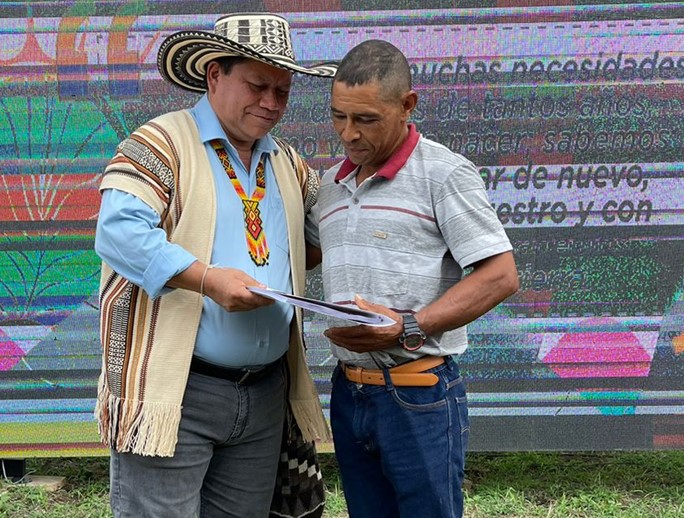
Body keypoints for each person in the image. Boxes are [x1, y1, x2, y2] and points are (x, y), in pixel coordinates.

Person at [94, 13, 335, 517]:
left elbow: (319, 237)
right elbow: (119, 234)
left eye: (282, 91)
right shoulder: (159, 143)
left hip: (265, 392)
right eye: (257, 85)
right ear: (213, 75)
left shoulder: (287, 162)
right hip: (178, 393)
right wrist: (207, 279)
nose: (271, 103)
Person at [304, 39, 520, 518]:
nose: (348, 134)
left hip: (418, 393)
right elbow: (301, 257)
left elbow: (500, 275)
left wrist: (409, 325)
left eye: (365, 119)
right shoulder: (331, 186)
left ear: (408, 106)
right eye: (339, 116)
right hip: (349, 390)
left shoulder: (443, 175)